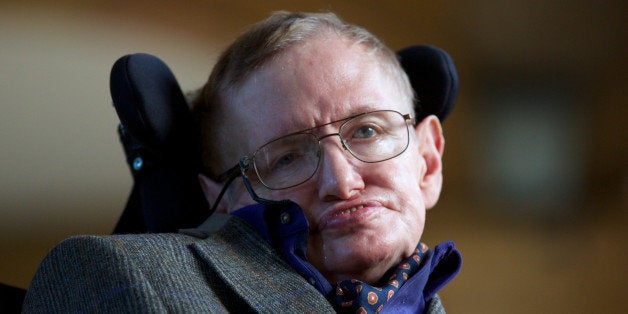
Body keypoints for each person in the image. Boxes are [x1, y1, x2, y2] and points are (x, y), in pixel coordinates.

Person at [23, 11, 461, 313]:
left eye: (367, 131)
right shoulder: (104, 274)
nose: (341, 182)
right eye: (287, 157)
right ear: (222, 198)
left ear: (428, 160)